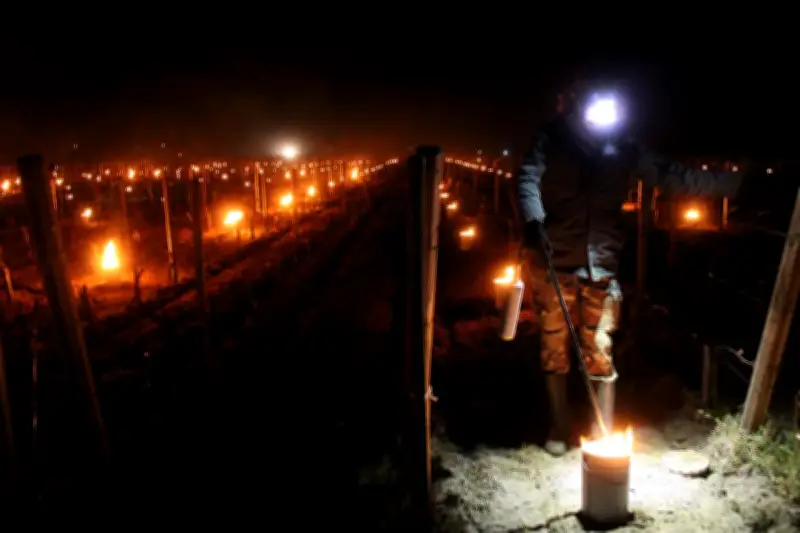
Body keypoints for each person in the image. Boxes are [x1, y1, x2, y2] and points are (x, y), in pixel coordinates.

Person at [517, 82, 744, 457]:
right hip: (552, 259)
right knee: (554, 346)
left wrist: (730, 185)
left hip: (600, 263)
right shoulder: (551, 137)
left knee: (600, 346)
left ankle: (600, 428)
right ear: (575, 106)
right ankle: (558, 425)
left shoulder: (625, 147)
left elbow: (671, 174)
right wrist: (533, 220)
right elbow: (528, 178)